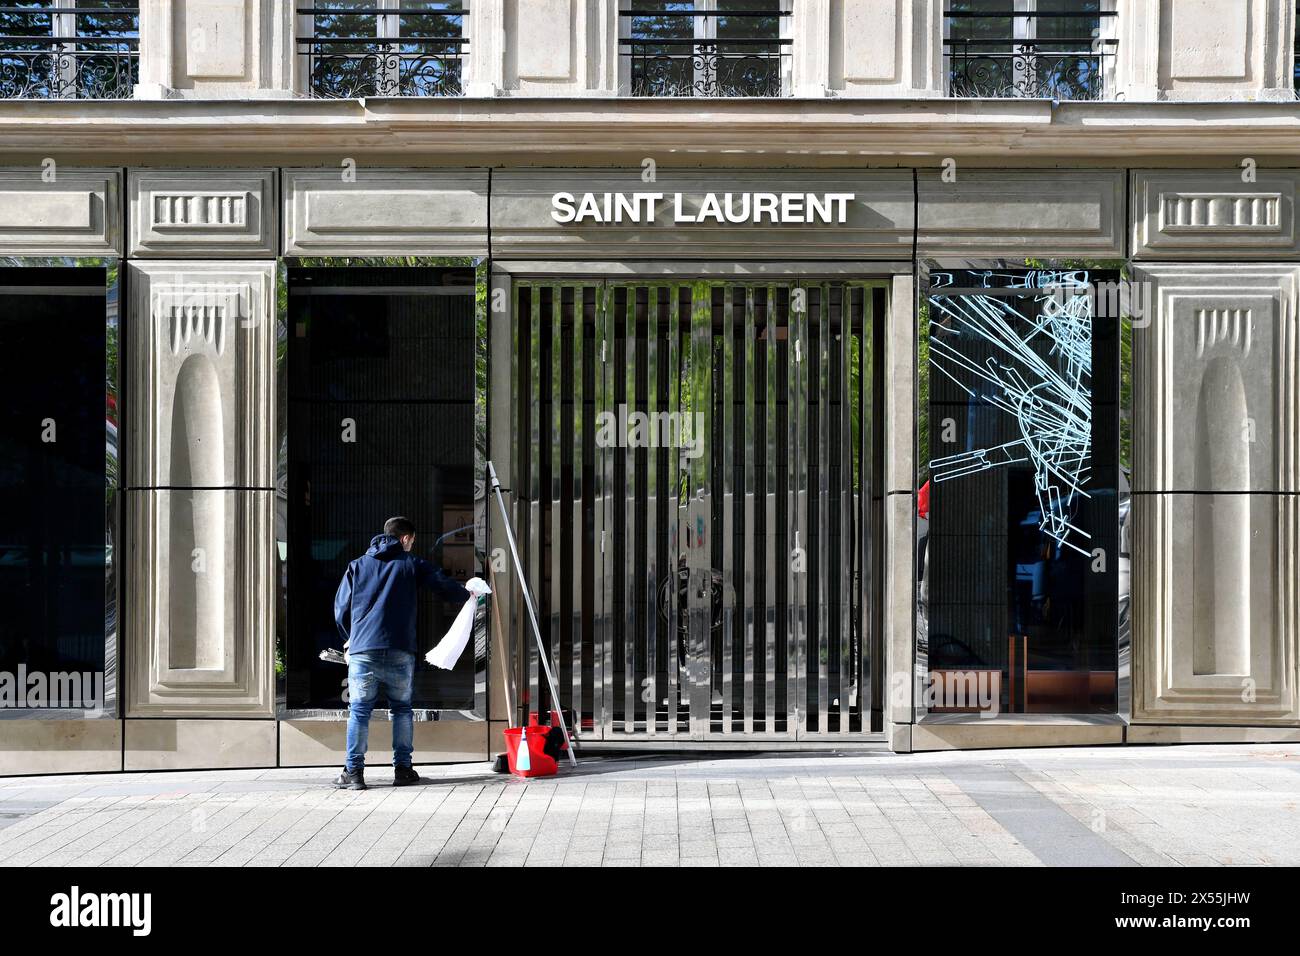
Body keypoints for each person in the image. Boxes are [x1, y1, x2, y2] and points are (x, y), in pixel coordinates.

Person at [332, 516, 478, 790]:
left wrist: (349, 638)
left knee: (360, 711)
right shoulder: (412, 564)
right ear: (405, 538)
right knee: (401, 710)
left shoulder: (357, 566)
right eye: (412, 540)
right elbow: (443, 586)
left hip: (364, 650)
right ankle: (402, 769)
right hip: (400, 649)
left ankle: (354, 773)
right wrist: (468, 594)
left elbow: (340, 609)